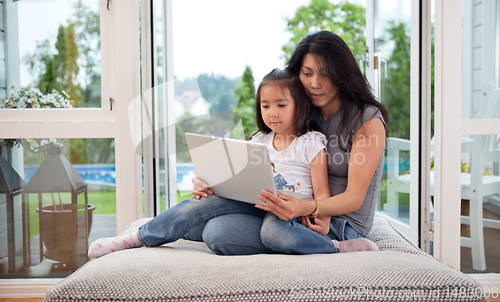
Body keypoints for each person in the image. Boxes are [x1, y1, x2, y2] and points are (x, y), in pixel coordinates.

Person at [88, 67, 377, 258]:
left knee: (271, 232)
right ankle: (138, 237)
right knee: (198, 207)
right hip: (255, 204)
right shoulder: (258, 141)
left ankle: (335, 248)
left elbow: (322, 192)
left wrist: (323, 221)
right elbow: (234, 179)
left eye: (281, 105)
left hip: (289, 213)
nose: (272, 113)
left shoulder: (311, 142)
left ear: (299, 105)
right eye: (265, 106)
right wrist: (207, 185)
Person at [192, 31, 388, 254]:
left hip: (336, 224)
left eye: (325, 74)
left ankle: (334, 247)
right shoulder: (302, 111)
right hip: (286, 209)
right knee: (200, 221)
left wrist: (310, 208)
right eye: (307, 73)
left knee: (217, 233)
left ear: (343, 73)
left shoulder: (367, 120)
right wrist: (213, 183)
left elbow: (354, 198)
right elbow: (263, 159)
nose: (315, 84)